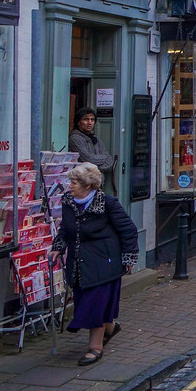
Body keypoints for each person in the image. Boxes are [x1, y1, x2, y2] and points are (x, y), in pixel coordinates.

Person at [48, 162, 138, 366]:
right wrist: (58, 246)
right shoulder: (69, 201)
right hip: (80, 264)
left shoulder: (107, 203)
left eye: (74, 182)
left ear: (88, 185)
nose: (70, 185)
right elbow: (65, 229)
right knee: (89, 302)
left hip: (104, 263)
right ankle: (111, 327)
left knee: (95, 305)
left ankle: (95, 347)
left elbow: (128, 230)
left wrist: (129, 258)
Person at [68, 107, 116, 187]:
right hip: (83, 184)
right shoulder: (75, 138)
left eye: (92, 120)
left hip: (97, 184)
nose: (90, 123)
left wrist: (95, 165)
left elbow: (109, 161)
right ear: (78, 122)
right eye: (86, 119)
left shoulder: (95, 138)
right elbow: (87, 159)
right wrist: (102, 159)